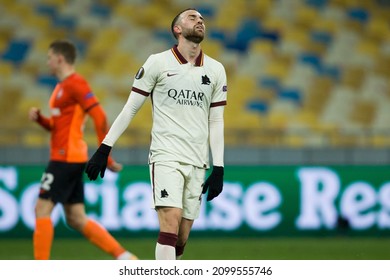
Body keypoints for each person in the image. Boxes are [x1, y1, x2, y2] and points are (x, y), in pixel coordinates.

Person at [85, 8, 227, 260]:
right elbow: (130, 109)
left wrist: (219, 167)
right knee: (170, 223)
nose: (200, 21)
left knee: (182, 236)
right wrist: (104, 147)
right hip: (166, 155)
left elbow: (216, 120)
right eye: (192, 18)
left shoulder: (216, 70)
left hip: (197, 160)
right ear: (177, 29)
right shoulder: (157, 63)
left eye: (202, 19)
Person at [29, 40, 138, 260]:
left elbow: (99, 115)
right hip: (70, 156)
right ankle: (124, 256)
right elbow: (57, 126)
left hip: (64, 157)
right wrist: (41, 119)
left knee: (41, 210)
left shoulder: (76, 83)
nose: (47, 62)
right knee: (76, 218)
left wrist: (104, 154)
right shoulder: (60, 88)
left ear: (60, 59)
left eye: (49, 57)